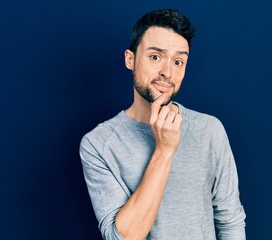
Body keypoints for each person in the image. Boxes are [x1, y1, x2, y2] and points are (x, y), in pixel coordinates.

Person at [80, 9, 246, 240]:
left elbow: (230, 220)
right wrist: (164, 150)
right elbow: (123, 237)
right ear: (130, 59)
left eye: (178, 61)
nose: (167, 72)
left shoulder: (209, 130)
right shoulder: (98, 144)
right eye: (155, 57)